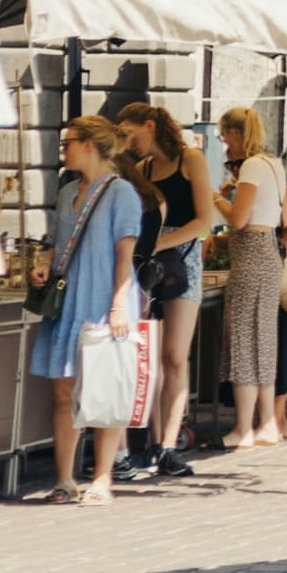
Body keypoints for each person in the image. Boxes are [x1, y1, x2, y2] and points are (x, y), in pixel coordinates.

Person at [28, 118, 148, 506]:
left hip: (104, 298)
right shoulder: (67, 192)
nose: (63, 150)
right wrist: (46, 263)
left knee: (103, 389)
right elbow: (58, 243)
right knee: (63, 390)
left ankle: (102, 479)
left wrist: (118, 305)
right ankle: (65, 480)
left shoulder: (122, 193)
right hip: (69, 299)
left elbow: (125, 255)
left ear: (89, 145)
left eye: (68, 143)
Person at [117, 104, 210, 479]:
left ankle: (169, 444)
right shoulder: (142, 170)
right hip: (149, 266)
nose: (130, 143)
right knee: (150, 356)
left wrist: (161, 241)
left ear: (150, 125)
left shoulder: (191, 160)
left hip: (183, 261)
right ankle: (153, 442)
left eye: (132, 134)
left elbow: (205, 219)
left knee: (174, 355)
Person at [214, 109, 287, 448]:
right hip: (269, 252)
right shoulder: (274, 164)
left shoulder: (251, 167)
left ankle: (243, 428)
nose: (224, 144)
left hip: (250, 256)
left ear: (234, 133)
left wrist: (216, 198)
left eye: (224, 136)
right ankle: (267, 423)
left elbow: (238, 219)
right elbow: (284, 218)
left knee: (243, 340)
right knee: (263, 342)